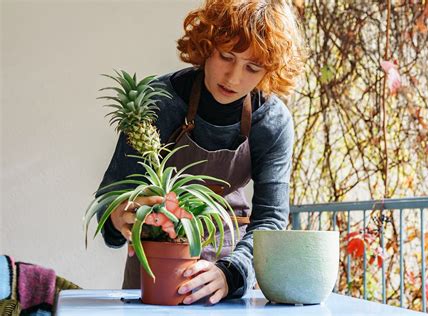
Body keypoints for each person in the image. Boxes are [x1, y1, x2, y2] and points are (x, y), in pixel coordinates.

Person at [96, 0, 306, 305]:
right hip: (154, 273)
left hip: (227, 275)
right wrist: (116, 216)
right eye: (226, 56)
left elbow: (270, 219)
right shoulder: (159, 102)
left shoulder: (271, 121)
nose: (234, 78)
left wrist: (230, 274)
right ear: (206, 46)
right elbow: (110, 196)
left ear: (269, 71)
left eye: (252, 67)